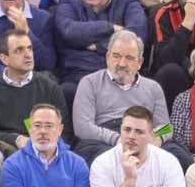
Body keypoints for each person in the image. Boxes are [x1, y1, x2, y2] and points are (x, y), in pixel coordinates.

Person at [72, 30, 178, 164]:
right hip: (104, 138)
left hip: (144, 135)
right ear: (107, 57)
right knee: (104, 159)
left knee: (179, 156)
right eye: (116, 56)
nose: (122, 63)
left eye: (129, 58)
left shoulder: (153, 87)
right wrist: (118, 139)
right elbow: (82, 127)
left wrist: (156, 137)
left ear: (140, 62)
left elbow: (167, 127)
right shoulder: (89, 83)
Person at [53, 0, 146, 100]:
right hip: (79, 72)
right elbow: (68, 31)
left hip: (120, 71)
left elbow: (136, 33)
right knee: (66, 92)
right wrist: (111, 28)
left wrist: (99, 46)